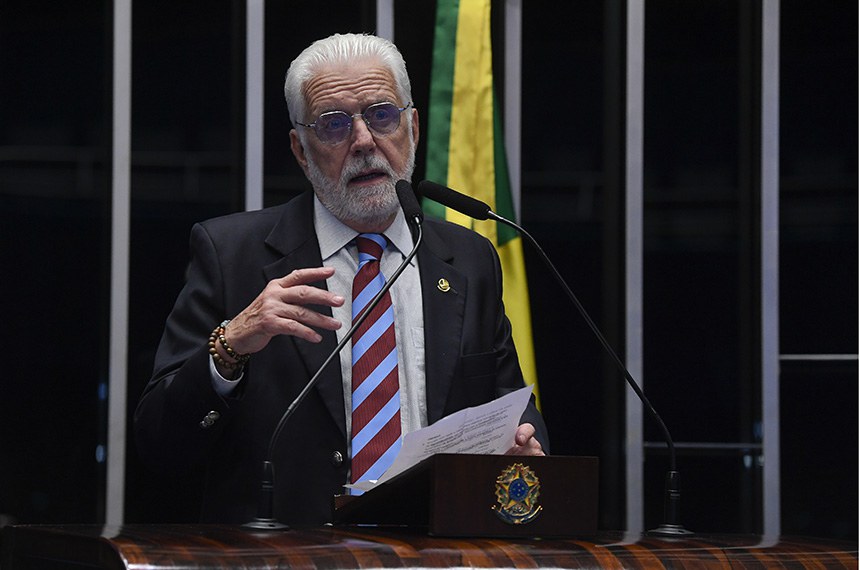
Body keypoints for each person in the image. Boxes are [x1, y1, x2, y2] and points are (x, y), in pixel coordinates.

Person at [134, 32, 548, 526]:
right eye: (334, 124)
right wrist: (230, 346)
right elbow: (160, 443)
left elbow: (511, 409)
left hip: (432, 550)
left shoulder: (468, 259)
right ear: (301, 150)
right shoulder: (232, 255)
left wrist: (526, 443)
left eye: (382, 115)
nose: (364, 141)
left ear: (413, 127)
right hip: (286, 553)